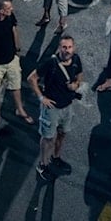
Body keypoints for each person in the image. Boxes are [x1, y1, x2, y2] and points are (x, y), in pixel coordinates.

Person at [29, 35, 84, 181]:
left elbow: (79, 75)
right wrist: (42, 98)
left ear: (74, 47)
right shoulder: (51, 63)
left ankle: (56, 157)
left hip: (67, 106)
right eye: (64, 47)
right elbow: (31, 78)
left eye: (69, 47)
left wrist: (76, 85)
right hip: (52, 108)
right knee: (48, 138)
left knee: (62, 134)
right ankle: (42, 164)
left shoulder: (76, 59)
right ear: (59, 48)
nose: (67, 50)